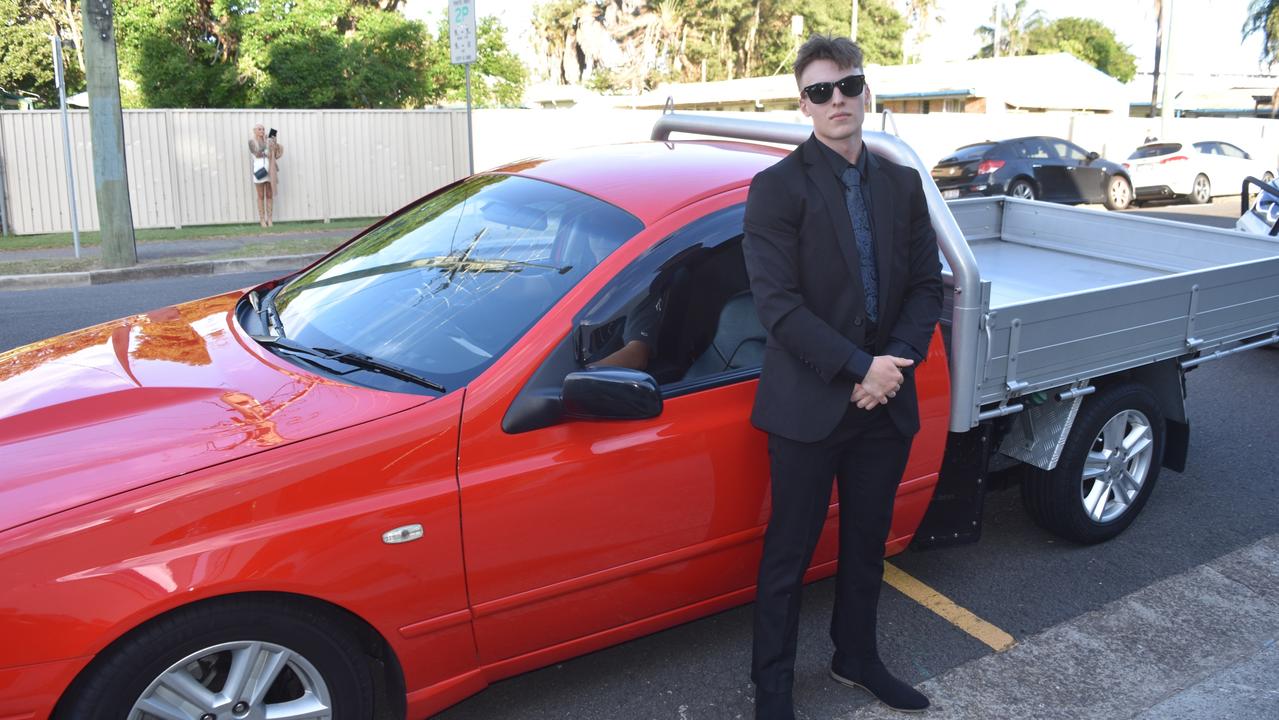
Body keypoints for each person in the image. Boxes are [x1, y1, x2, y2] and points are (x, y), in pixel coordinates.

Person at [742, 34, 944, 719]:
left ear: (865, 91)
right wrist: (861, 366)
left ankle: (855, 657)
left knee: (866, 547)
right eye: (820, 90)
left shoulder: (901, 183)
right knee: (786, 559)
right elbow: (777, 306)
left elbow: (925, 285)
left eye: (847, 85)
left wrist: (888, 370)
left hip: (882, 405)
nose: (837, 100)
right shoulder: (775, 189)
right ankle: (771, 688)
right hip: (807, 406)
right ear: (802, 104)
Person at [249, 124, 284, 227]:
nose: (262, 131)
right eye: (259, 129)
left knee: (269, 194)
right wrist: (265, 143)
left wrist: (273, 142)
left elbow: (274, 153)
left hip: (269, 170)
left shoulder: (267, 141)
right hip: (259, 170)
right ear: (254, 131)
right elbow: (257, 153)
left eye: (263, 129)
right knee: (260, 196)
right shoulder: (251, 142)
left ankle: (270, 219)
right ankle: (262, 219)